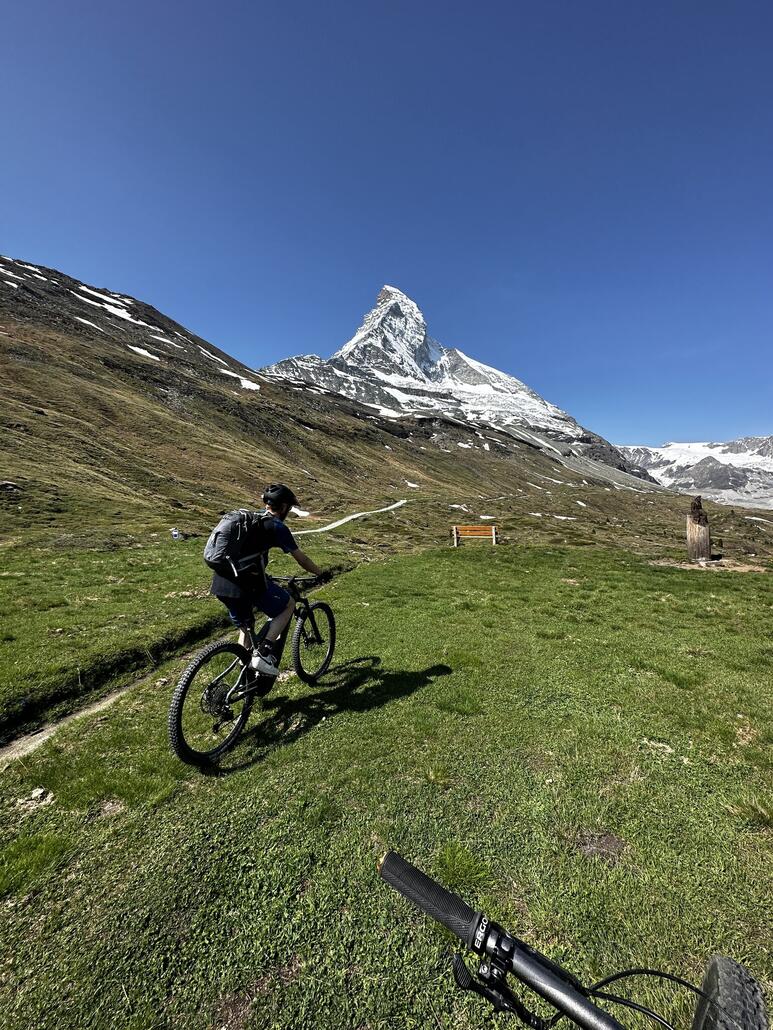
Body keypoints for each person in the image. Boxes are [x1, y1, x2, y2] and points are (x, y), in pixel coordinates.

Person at [210, 483, 325, 677]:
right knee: (287, 605)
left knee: (246, 628)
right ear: (284, 507)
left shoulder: (249, 519)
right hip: (246, 583)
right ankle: (263, 654)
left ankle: (243, 676)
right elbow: (302, 559)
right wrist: (320, 573)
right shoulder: (276, 526)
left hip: (221, 582)